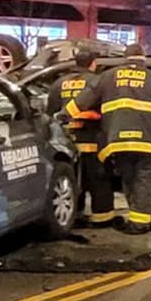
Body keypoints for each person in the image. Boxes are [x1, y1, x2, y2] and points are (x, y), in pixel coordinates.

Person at [65, 44, 151, 235]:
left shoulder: (108, 76)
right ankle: (140, 222)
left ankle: (138, 218)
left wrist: (63, 115)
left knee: (129, 177)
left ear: (125, 58)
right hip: (147, 140)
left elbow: (84, 100)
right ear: (143, 58)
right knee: (145, 178)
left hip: (117, 140)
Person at [46, 49, 116, 227]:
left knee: (73, 181)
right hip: (93, 140)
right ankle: (103, 217)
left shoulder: (58, 83)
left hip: (67, 143)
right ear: (93, 63)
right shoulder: (97, 82)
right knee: (99, 180)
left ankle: (75, 215)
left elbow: (51, 113)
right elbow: (107, 109)